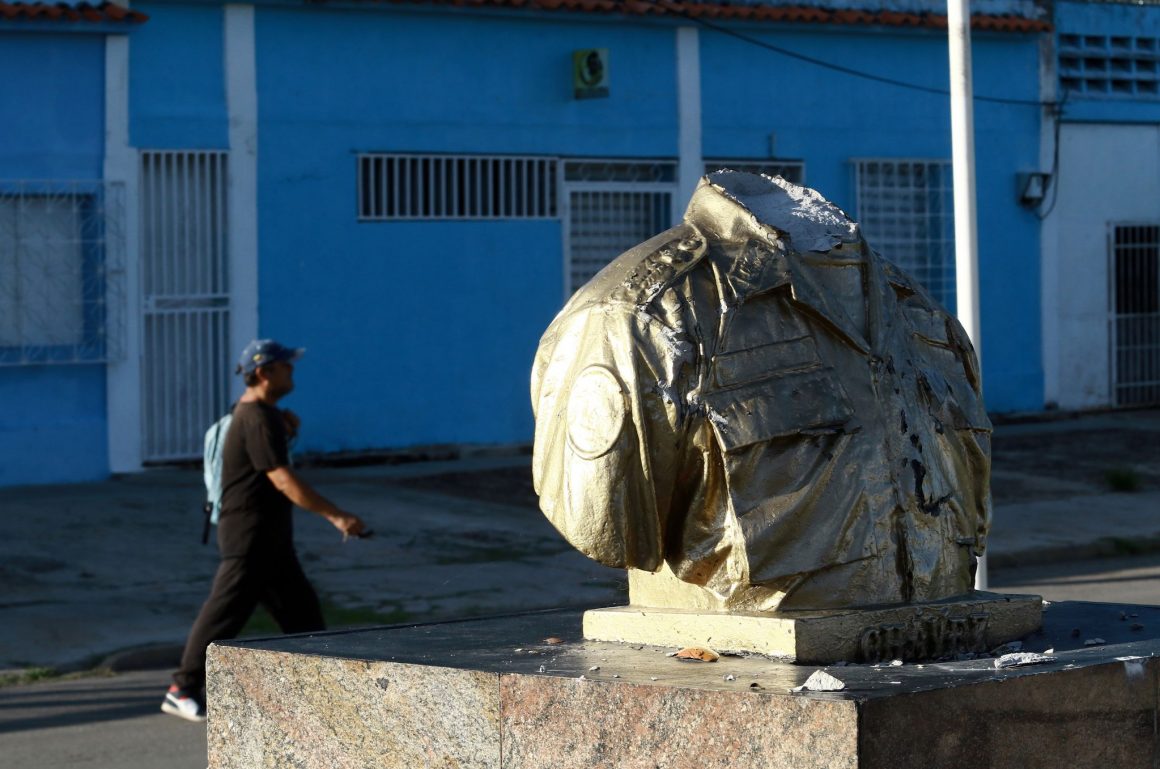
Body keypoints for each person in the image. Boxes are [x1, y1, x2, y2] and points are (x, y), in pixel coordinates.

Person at [531, 171, 992, 614]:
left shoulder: (916, 309)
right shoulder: (643, 311)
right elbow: (606, 524)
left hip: (943, 632)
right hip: (739, 642)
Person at [162, 339, 366, 722]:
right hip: (249, 534)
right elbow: (283, 480)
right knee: (223, 613)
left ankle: (322, 690)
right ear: (263, 372)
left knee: (303, 616)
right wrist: (336, 516)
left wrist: (285, 430)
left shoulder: (265, 415)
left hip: (269, 537)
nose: (292, 372)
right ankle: (182, 687)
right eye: (286, 367)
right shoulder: (257, 416)